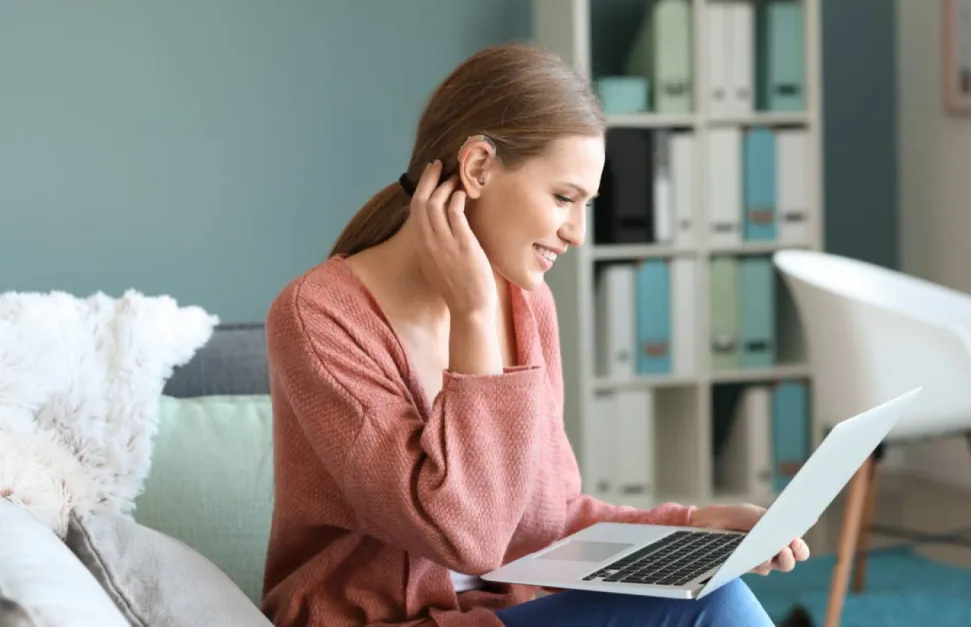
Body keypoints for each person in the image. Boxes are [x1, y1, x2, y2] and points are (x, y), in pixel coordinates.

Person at [260, 42, 809, 627]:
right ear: (476, 168)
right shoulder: (318, 317)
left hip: (503, 616)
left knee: (710, 589)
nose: (576, 232)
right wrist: (472, 317)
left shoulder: (527, 305)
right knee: (715, 608)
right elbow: (467, 536)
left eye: (586, 204)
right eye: (563, 197)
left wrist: (690, 523)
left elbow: (547, 520)